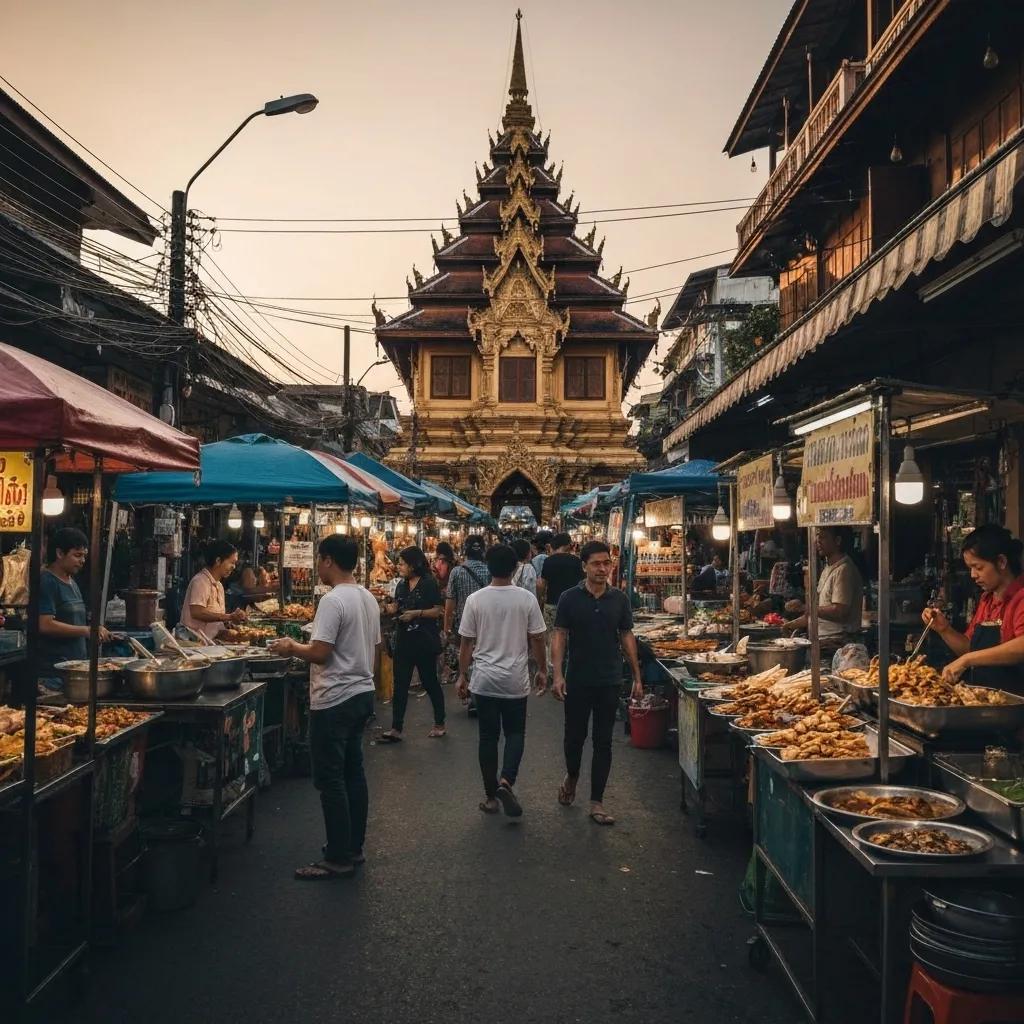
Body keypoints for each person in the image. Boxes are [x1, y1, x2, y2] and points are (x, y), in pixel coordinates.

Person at [269, 536, 380, 880]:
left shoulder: (333, 601)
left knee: (331, 778)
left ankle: (337, 856)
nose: (317, 565)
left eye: (319, 559)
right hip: (361, 692)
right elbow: (375, 645)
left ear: (329, 560)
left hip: (335, 698)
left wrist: (290, 646)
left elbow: (320, 652)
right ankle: (353, 846)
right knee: (353, 772)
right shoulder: (367, 597)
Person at [552, 540, 643, 826]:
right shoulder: (569, 598)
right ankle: (573, 775)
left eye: (607, 563)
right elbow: (560, 635)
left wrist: (637, 676)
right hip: (578, 678)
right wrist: (557, 673)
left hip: (609, 679)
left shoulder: (619, 599)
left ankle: (597, 802)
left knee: (604, 741)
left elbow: (627, 636)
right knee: (574, 738)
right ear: (584, 566)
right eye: (596, 564)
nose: (603, 569)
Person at [457, 544, 547, 817]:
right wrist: (542, 669)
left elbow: (466, 643)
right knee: (515, 733)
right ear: (515, 568)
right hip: (514, 679)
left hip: (484, 679)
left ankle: (491, 797)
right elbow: (538, 638)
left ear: (488, 567)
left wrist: (462, 674)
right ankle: (506, 781)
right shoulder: (525, 599)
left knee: (488, 736)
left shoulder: (476, 600)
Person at [926, 525, 1024, 691]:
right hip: (986, 704)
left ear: (1001, 562)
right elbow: (969, 648)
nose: (973, 575)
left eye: (978, 567)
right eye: (970, 568)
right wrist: (945, 630)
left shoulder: (1020, 597)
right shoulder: (987, 600)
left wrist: (968, 660)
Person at [378, 546, 446, 741]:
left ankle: (440, 722)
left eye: (402, 563)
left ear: (413, 565)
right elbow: (398, 606)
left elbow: (438, 611)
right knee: (400, 685)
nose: (398, 566)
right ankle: (396, 728)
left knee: (430, 682)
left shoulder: (429, 583)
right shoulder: (401, 584)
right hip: (404, 641)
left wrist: (417, 614)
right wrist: (388, 608)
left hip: (424, 641)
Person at [39, 526, 112, 686]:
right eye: (77, 555)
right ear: (59, 553)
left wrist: (94, 631)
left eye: (84, 556)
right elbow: (44, 624)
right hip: (53, 674)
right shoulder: (47, 582)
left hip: (75, 670)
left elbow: (76, 622)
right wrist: (87, 631)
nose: (82, 561)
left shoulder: (72, 582)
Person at [783, 526, 864, 641]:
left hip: (839, 641)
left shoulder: (844, 570)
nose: (818, 541)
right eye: (817, 536)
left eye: (823, 537)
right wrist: (791, 625)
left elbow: (840, 611)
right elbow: (819, 611)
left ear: (837, 541)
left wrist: (804, 607)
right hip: (823, 639)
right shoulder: (828, 568)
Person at [443, 536, 491, 703]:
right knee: (483, 658)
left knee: (466, 656)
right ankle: (480, 693)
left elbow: (450, 604)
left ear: (465, 551)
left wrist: (446, 628)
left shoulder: (456, 572)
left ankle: (468, 690)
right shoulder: (489, 571)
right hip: (486, 624)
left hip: (463, 624)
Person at [538, 533, 584, 679]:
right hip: (574, 605)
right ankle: (572, 668)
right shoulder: (577, 561)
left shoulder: (549, 561)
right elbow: (584, 584)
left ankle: (553, 670)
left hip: (552, 604)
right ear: (568, 544)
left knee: (553, 637)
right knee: (572, 636)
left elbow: (541, 584)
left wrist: (541, 598)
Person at [181, 540, 247, 640]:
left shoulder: (219, 586)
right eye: (232, 562)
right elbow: (197, 612)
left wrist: (233, 621)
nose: (234, 567)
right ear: (218, 561)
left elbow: (217, 621)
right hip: (194, 643)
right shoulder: (200, 581)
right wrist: (229, 616)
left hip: (211, 643)